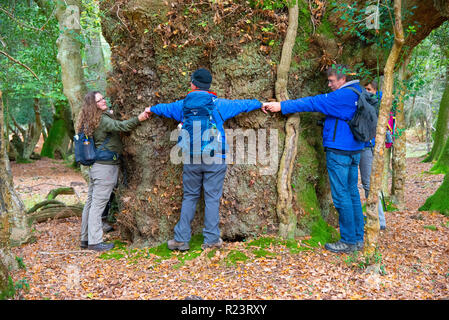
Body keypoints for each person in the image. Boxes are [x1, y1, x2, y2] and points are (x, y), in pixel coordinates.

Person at [145, 68, 262, 251]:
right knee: (212, 199)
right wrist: (259, 103)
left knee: (190, 197)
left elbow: (165, 108)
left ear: (193, 84)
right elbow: (242, 105)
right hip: (215, 158)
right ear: (209, 85)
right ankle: (211, 240)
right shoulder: (217, 105)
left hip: (191, 158)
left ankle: (181, 239)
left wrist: (150, 109)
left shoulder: (184, 105)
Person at [262, 64, 365, 253]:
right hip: (354, 150)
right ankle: (358, 238)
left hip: (340, 151)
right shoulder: (359, 91)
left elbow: (312, 102)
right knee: (352, 193)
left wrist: (282, 106)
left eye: (332, 81)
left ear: (342, 79)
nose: (329, 84)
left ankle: (349, 241)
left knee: (342, 196)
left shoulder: (341, 95)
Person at [78, 91, 150, 251]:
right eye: (99, 100)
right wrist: (140, 118)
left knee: (90, 203)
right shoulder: (102, 120)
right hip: (105, 168)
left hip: (96, 167)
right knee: (97, 205)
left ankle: (85, 239)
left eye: (103, 98)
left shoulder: (92, 119)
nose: (104, 101)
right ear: (93, 105)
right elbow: (121, 126)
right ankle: (95, 242)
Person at [360, 80, 386, 230]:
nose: (366, 92)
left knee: (369, 184)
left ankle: (380, 220)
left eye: (369, 89)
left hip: (368, 146)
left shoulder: (377, 102)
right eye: (364, 89)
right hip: (357, 146)